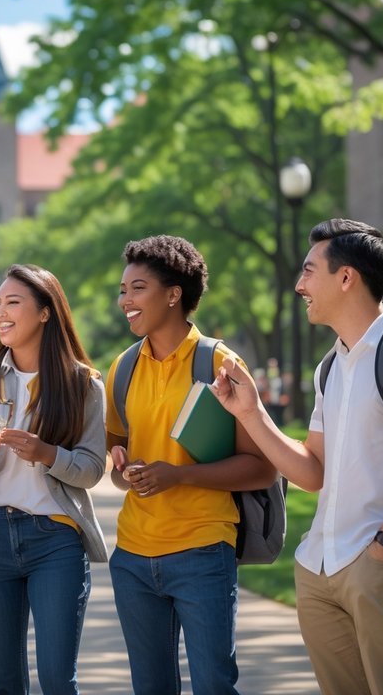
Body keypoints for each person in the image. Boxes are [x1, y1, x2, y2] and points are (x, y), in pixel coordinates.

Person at [211, 219, 383, 695]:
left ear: (346, 278)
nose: (300, 285)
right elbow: (312, 472)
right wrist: (252, 412)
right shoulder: (331, 365)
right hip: (319, 568)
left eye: (309, 271)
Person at [105, 235, 275, 695]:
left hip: (203, 550)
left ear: (174, 293)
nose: (125, 300)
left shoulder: (220, 362)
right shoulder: (122, 369)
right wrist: (124, 469)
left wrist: (178, 475)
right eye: (123, 290)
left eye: (137, 288)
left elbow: (262, 467)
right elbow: (118, 458)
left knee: (214, 686)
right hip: (133, 556)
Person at [0, 264, 108, 695]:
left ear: (45, 312)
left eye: (13, 303)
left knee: (57, 678)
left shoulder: (83, 384)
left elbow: (91, 469)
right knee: (5, 680)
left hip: (56, 540)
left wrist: (47, 454)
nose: (0, 312)